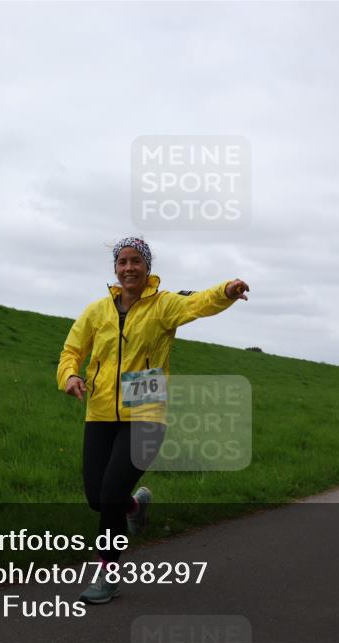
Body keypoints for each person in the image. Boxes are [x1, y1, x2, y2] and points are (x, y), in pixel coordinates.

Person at [57, 237, 249, 604]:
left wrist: (226, 290)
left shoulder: (163, 306)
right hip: (99, 412)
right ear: (115, 269)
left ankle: (106, 575)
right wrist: (69, 376)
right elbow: (72, 350)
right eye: (122, 262)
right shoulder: (97, 311)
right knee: (98, 499)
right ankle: (136, 507)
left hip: (146, 413)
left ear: (147, 267)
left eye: (136, 261)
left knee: (110, 494)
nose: (129, 267)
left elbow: (197, 303)